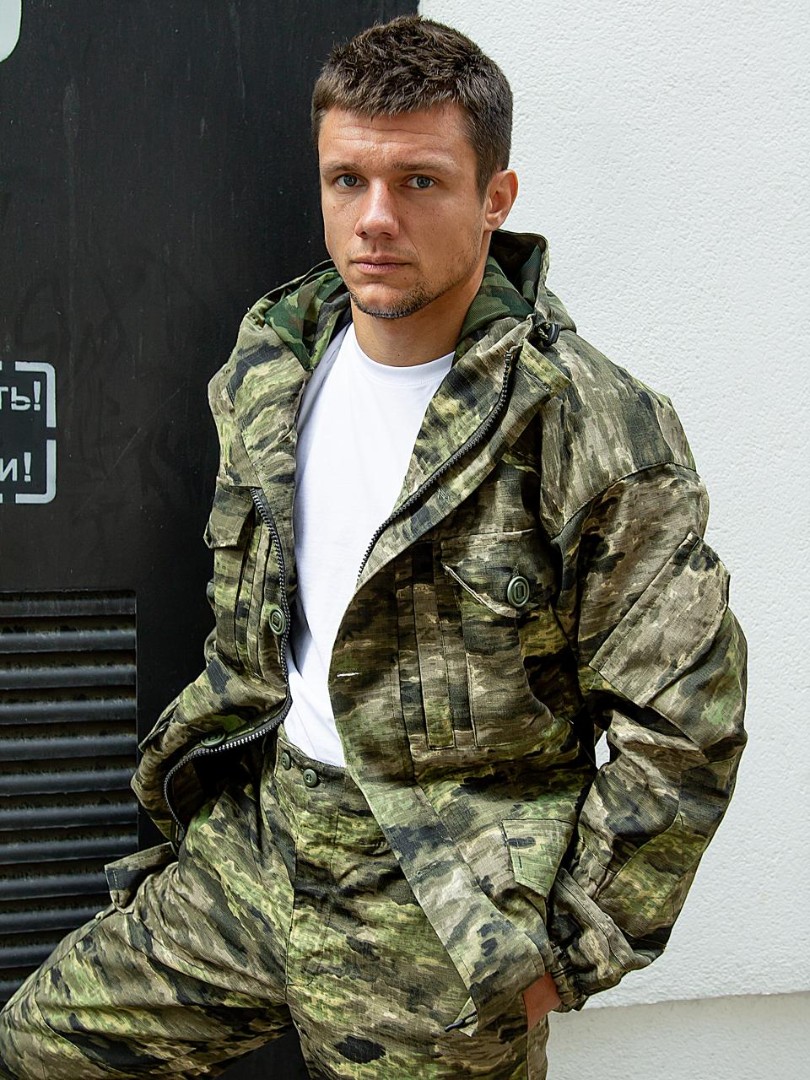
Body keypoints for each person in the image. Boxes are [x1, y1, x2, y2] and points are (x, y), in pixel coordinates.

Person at [0, 15, 747, 1080]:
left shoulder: (589, 426)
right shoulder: (273, 364)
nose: (375, 218)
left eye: (420, 182)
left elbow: (687, 724)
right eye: (347, 180)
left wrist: (566, 956)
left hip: (439, 910)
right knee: (37, 1049)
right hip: (256, 852)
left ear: (496, 198)